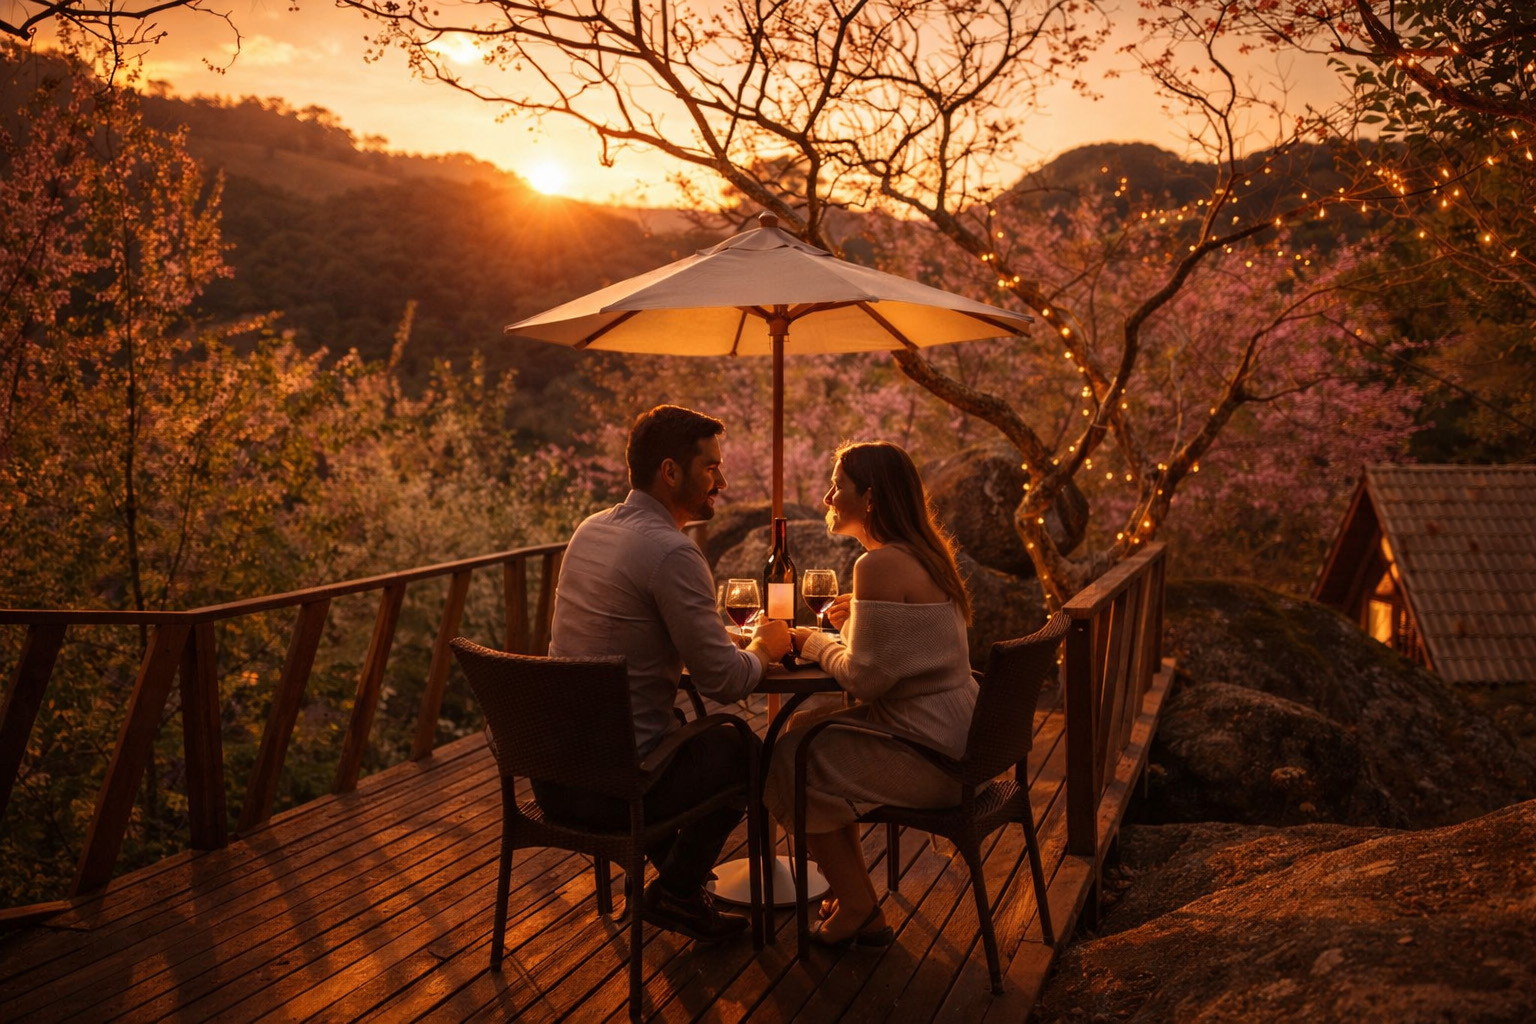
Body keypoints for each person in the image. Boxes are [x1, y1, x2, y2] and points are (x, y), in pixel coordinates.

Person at [541, 404, 793, 943]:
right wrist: (766, 649)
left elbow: (642, 629)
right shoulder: (672, 552)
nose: (722, 482)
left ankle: (677, 886)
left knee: (678, 724)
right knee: (743, 752)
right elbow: (724, 683)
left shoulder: (591, 531)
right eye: (711, 468)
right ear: (671, 471)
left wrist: (726, 641)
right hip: (618, 789)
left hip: (556, 776)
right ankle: (676, 893)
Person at [762, 440, 975, 948]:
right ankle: (856, 894)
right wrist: (857, 615)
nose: (828, 496)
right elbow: (901, 653)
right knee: (801, 732)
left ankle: (858, 905)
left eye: (839, 486)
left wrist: (808, 641)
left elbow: (866, 680)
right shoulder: (925, 555)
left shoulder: (877, 566)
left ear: (871, 497)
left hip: (931, 754)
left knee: (789, 760)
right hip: (961, 737)